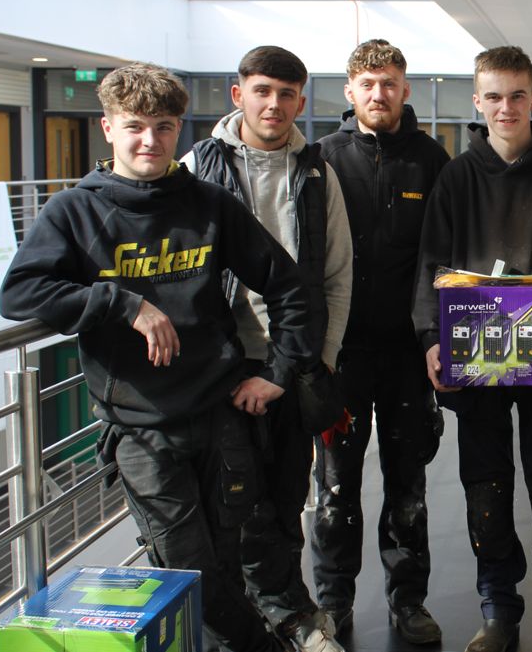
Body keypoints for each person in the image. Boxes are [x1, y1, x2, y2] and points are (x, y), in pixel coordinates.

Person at [0, 62, 314, 652]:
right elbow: (20, 293)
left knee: (223, 562)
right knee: (189, 571)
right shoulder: (75, 211)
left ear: (178, 130)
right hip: (142, 430)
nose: (150, 141)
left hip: (221, 417)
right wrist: (121, 302)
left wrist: (279, 371)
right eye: (135, 126)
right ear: (108, 128)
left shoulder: (209, 203)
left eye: (165, 127)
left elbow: (289, 286)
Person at [411, 46, 532, 652]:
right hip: (478, 361)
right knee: (485, 490)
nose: (505, 107)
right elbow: (431, 265)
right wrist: (429, 338)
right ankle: (500, 611)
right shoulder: (455, 177)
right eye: (493, 96)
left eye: (517, 95)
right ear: (477, 102)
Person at [180, 46, 351, 652]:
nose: (273, 104)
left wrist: (320, 358)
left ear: (301, 100)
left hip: (293, 363)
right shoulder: (197, 167)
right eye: (262, 91)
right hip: (223, 369)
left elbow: (336, 272)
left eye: (286, 93)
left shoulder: (315, 172)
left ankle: (291, 616)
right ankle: (243, 627)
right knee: (230, 503)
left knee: (284, 496)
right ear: (238, 95)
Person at [312, 38, 451, 645]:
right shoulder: (321, 159)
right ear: (349, 91)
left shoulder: (432, 160)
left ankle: (408, 600)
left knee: (408, 484)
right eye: (367, 84)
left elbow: (445, 258)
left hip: (406, 354)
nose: (378, 94)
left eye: (389, 83)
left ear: (405, 89)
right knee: (336, 486)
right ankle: (333, 602)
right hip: (341, 355)